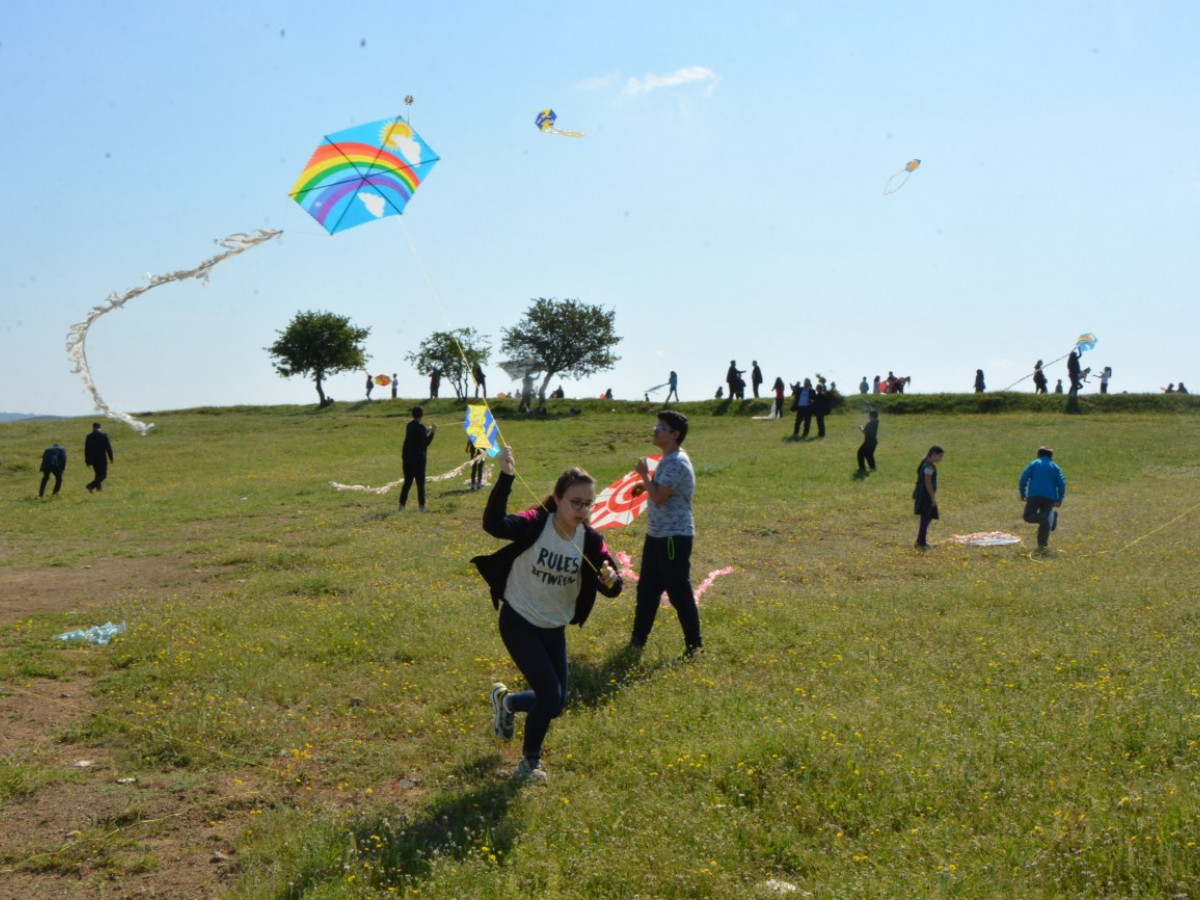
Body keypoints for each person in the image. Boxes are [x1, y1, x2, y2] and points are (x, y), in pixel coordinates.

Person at [472, 447, 623, 782]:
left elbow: (611, 583)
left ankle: (507, 702)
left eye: (588, 503)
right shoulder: (536, 522)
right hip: (519, 620)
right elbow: (493, 524)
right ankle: (529, 763)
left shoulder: (590, 540)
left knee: (554, 703)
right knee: (550, 694)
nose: (582, 510)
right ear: (557, 499)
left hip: (553, 627)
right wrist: (507, 476)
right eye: (575, 502)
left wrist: (612, 579)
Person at [630, 411, 703, 658]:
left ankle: (694, 645)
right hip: (657, 534)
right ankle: (637, 642)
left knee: (678, 591)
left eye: (661, 427)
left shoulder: (677, 461)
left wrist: (643, 475)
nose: (655, 430)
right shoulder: (667, 459)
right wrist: (646, 485)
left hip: (673, 536)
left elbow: (660, 497)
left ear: (675, 434)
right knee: (647, 590)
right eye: (656, 426)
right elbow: (659, 491)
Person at [1019, 446, 1066, 551]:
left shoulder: (1034, 463)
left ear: (1038, 455)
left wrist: (1023, 493)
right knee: (1045, 523)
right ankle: (1042, 545)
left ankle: (1048, 516)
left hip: (1035, 496)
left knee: (1028, 516)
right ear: (1051, 457)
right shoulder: (1055, 467)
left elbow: (1023, 478)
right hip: (1050, 498)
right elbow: (1062, 483)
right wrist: (1060, 499)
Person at [399, 406, 437, 511]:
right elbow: (426, 442)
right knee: (420, 483)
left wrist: (427, 429)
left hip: (407, 459)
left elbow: (419, 433)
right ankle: (421, 506)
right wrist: (433, 432)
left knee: (407, 482)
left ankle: (402, 505)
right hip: (418, 460)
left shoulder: (409, 425)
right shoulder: (421, 428)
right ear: (422, 415)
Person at [912, 445, 944, 548]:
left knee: (928, 517)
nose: (940, 459)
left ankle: (921, 539)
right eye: (940, 456)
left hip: (922, 494)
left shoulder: (925, 464)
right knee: (926, 517)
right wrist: (933, 497)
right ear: (934, 454)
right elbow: (928, 483)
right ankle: (921, 541)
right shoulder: (929, 466)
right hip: (925, 495)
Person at [84, 422, 114, 492]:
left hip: (93, 459)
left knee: (97, 474)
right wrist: (111, 457)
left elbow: (86, 449)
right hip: (102, 458)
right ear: (100, 427)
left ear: (93, 427)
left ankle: (99, 490)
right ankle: (90, 486)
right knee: (103, 475)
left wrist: (87, 461)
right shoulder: (103, 435)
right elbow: (108, 447)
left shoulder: (89, 436)